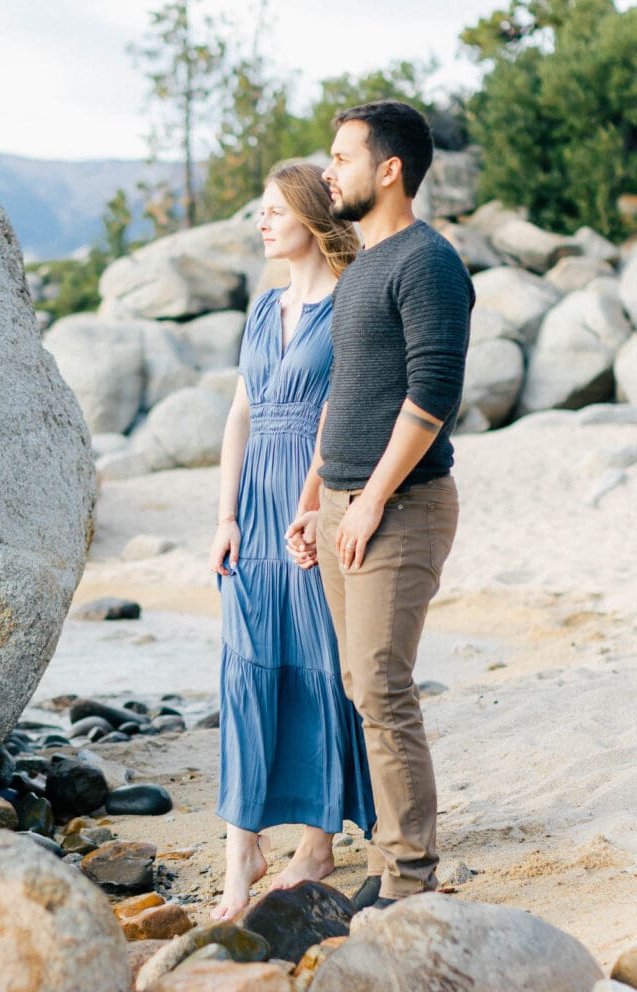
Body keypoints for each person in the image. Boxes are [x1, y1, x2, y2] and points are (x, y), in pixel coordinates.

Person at [287, 101, 474, 909]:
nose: (329, 170)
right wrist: (314, 499)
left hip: (399, 507)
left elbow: (432, 395)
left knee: (381, 684)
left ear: (388, 169)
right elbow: (345, 392)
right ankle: (388, 857)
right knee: (359, 685)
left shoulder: (427, 262)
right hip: (342, 503)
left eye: (341, 157)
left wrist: (368, 505)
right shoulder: (364, 263)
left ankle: (406, 879)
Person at [209, 161, 375, 921]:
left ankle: (317, 841)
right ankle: (241, 843)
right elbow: (239, 415)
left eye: (274, 211)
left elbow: (340, 415)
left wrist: (309, 506)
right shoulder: (260, 308)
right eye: (260, 212)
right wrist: (225, 516)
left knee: (316, 667)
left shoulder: (350, 305)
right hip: (253, 509)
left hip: (309, 507)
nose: (262, 223)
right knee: (246, 672)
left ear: (311, 219)